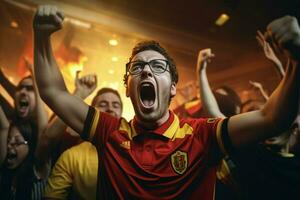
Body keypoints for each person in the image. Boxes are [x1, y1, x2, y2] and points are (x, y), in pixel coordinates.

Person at [33, 5, 300, 199]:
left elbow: (272, 118)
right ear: (127, 88)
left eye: (157, 67)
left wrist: (296, 58)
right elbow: (53, 91)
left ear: (173, 88)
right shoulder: (109, 132)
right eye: (137, 68)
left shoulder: (201, 136)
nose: (146, 71)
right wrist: (42, 37)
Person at [44, 87, 123, 199]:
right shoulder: (71, 157)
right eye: (103, 104)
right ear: (92, 112)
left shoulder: (136, 150)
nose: (110, 108)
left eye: (115, 105)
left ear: (121, 113)